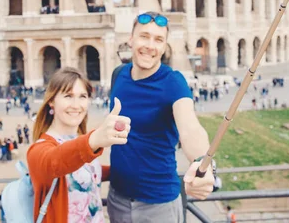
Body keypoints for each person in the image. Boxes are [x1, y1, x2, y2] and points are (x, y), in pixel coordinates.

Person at [108, 12, 215, 223]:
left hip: (159, 205)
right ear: (131, 39)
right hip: (117, 198)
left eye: (158, 40)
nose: (150, 45)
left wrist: (203, 163)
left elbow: (190, 128)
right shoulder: (118, 74)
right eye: (144, 36)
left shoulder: (173, 82)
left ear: (165, 46)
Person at [27, 67, 130, 223]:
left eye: (82, 96)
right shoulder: (38, 150)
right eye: (68, 96)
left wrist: (124, 170)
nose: (76, 105)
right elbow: (56, 162)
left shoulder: (79, 139)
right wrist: (94, 140)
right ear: (51, 102)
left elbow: (83, 171)